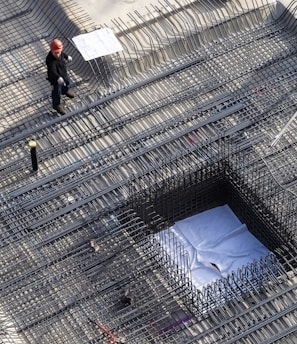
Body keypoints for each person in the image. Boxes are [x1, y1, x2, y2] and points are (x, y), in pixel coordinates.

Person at [46, 38, 75, 115]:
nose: (57, 54)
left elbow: (62, 54)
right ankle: (57, 105)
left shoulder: (60, 53)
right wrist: (57, 78)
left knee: (68, 82)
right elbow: (52, 71)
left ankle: (65, 91)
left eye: (58, 52)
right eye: (55, 53)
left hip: (63, 73)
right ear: (51, 50)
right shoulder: (50, 60)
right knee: (56, 91)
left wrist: (67, 57)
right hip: (55, 78)